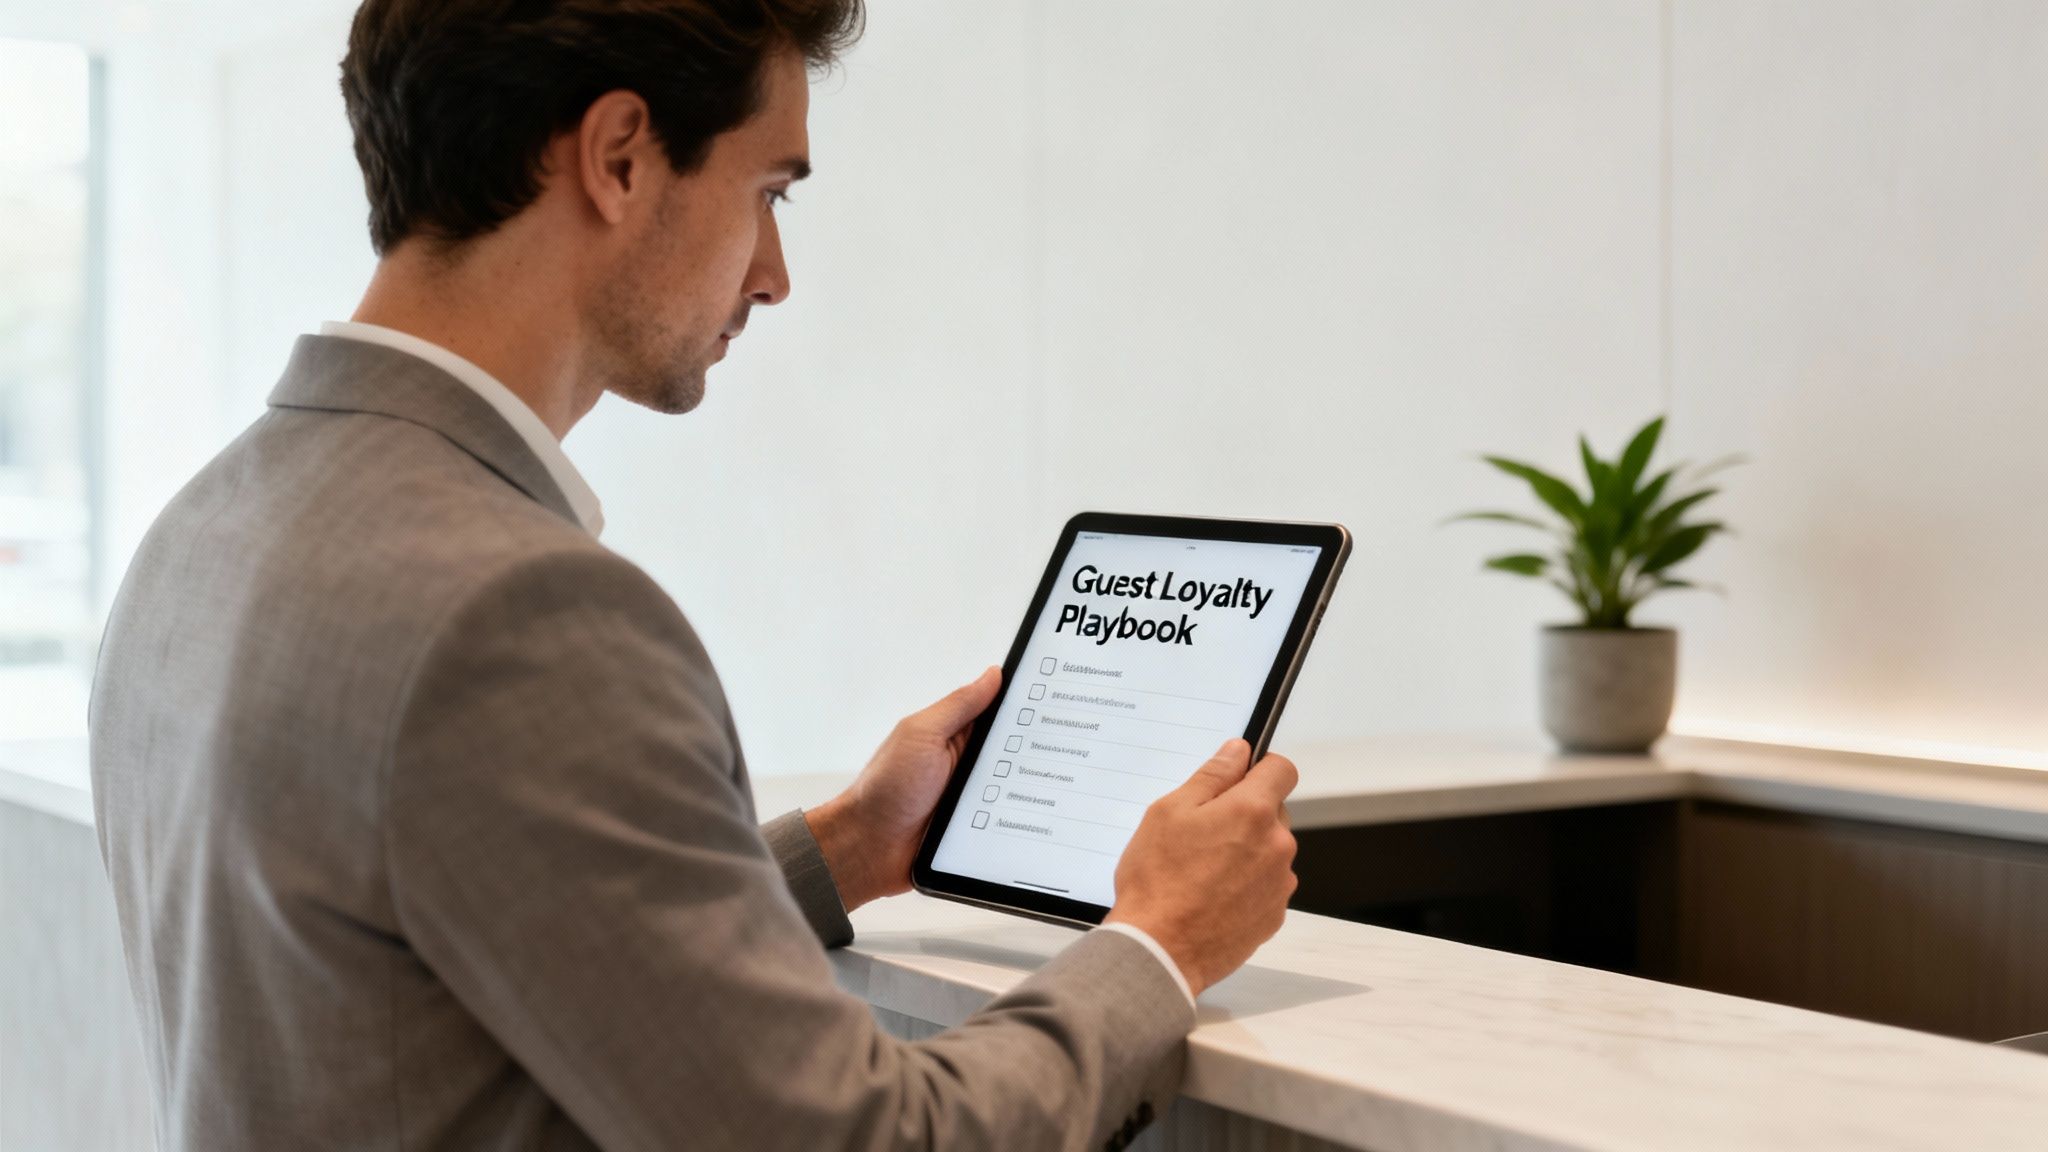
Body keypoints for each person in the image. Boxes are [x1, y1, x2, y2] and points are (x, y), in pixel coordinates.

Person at [87, 2, 1301, 1149]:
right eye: (768, 190)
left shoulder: (202, 535)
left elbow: (457, 943)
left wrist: (846, 846)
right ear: (619, 155)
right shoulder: (519, 617)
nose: (773, 273)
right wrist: (1158, 943)